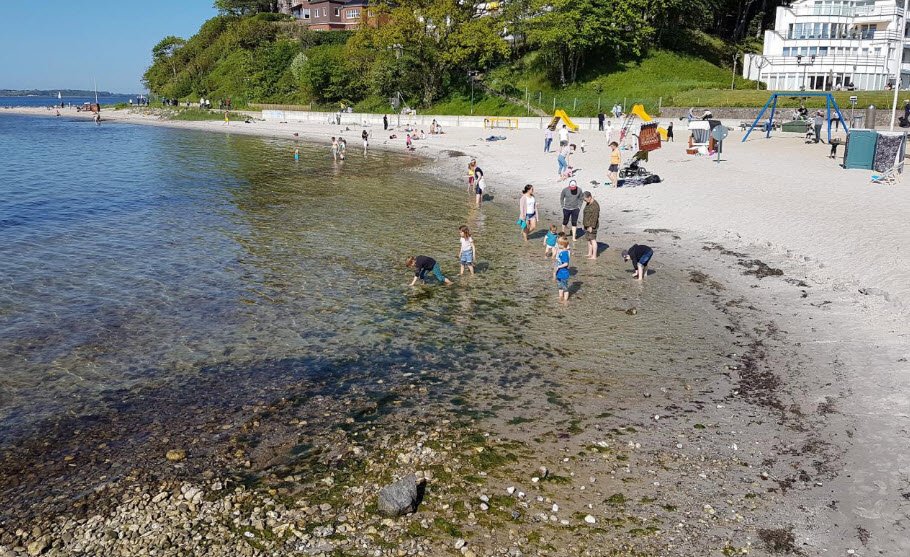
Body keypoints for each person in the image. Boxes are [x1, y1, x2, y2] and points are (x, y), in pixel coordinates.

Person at [582, 191, 600, 260]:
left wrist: (591, 226)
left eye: (585, 199)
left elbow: (595, 217)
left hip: (592, 226)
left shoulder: (595, 206)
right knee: (588, 239)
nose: (584, 201)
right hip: (587, 225)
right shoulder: (588, 203)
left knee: (593, 239)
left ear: (589, 197)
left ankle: (594, 256)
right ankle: (590, 253)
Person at [554, 236, 571, 302]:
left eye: (558, 244)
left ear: (562, 245)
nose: (557, 245)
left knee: (565, 288)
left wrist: (559, 266)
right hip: (559, 273)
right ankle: (560, 296)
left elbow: (566, 263)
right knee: (560, 286)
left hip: (564, 273)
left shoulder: (564, 253)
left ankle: (565, 300)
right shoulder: (561, 252)